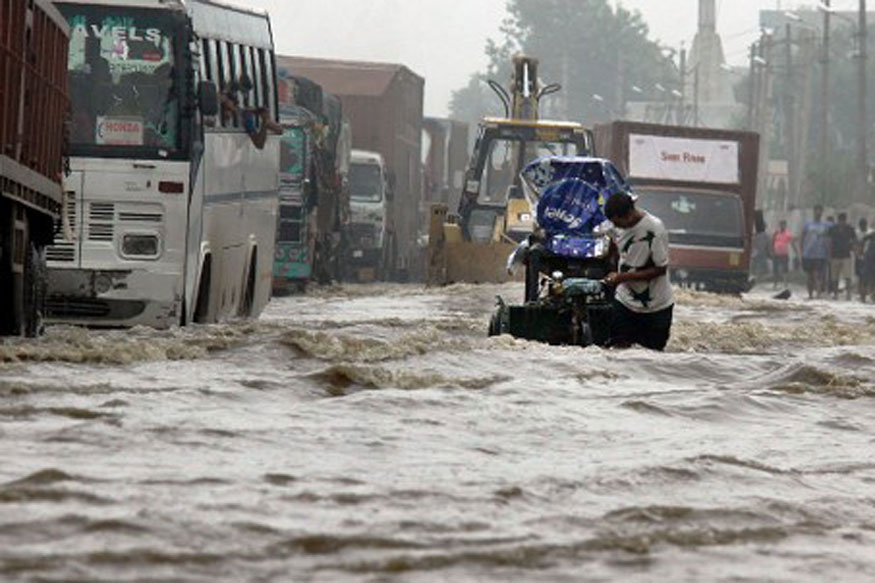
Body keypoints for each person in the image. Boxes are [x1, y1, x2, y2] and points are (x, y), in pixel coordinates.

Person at [601, 191, 674, 351]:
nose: (615, 226)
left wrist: (622, 277)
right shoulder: (616, 230)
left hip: (657, 306)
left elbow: (660, 269)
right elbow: (615, 253)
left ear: (628, 215)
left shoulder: (654, 229)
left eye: (617, 222)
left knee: (652, 355)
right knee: (617, 350)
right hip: (625, 301)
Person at [800, 205, 831, 299]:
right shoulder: (807, 224)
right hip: (808, 254)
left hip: (820, 254)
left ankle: (818, 295)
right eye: (816, 211)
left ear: (822, 213)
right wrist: (801, 251)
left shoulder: (825, 225)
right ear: (813, 212)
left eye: (820, 211)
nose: (818, 213)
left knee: (818, 275)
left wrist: (829, 252)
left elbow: (829, 239)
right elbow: (802, 237)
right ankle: (810, 295)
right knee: (809, 276)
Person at [828, 212, 857, 300]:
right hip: (835, 255)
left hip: (846, 255)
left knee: (847, 276)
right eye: (840, 220)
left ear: (845, 220)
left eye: (843, 220)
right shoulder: (833, 229)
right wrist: (829, 255)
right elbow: (830, 242)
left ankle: (848, 294)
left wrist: (853, 248)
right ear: (838, 220)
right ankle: (835, 294)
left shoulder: (850, 229)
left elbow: (855, 240)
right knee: (834, 277)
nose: (842, 222)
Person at [771, 219, 797, 289]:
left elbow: (792, 242)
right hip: (776, 253)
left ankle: (785, 283)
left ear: (785, 225)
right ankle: (775, 284)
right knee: (775, 270)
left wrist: (796, 252)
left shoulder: (788, 233)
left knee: (785, 269)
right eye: (781, 224)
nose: (782, 226)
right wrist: (772, 251)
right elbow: (772, 241)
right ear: (779, 225)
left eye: (783, 224)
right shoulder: (776, 233)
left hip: (784, 253)